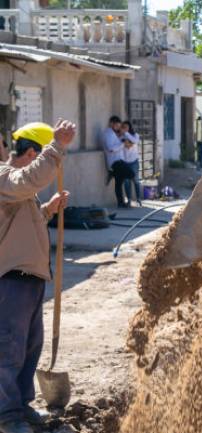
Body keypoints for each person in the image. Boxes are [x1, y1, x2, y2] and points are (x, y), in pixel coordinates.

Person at [0, 120, 76, 433]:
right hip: (10, 281)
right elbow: (28, 180)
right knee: (8, 349)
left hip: (29, 279)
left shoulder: (16, 187)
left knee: (29, 347)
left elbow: (20, 223)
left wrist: (48, 209)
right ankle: (6, 415)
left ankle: (21, 405)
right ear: (33, 153)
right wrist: (56, 147)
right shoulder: (6, 178)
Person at [102, 116, 133, 208]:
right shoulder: (108, 134)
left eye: (119, 126)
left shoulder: (113, 134)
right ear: (111, 123)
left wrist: (122, 141)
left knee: (119, 183)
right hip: (115, 162)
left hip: (119, 160)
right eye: (116, 126)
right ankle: (112, 173)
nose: (118, 128)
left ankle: (120, 203)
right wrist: (122, 144)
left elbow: (117, 144)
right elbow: (111, 148)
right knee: (131, 174)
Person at [121, 121, 141, 207]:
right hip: (125, 163)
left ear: (130, 127)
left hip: (134, 162)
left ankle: (138, 200)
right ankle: (128, 200)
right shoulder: (121, 136)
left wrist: (126, 134)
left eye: (127, 127)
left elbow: (135, 141)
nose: (125, 128)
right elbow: (125, 145)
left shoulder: (135, 135)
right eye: (123, 127)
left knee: (136, 181)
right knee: (126, 182)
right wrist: (125, 138)